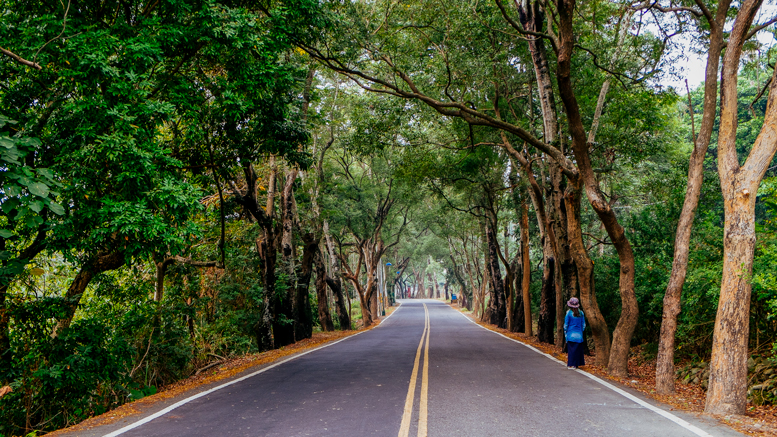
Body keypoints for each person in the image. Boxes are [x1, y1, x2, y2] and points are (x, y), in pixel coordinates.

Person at [564, 297, 586, 369]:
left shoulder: (569, 313)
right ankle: (576, 364)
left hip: (570, 335)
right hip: (579, 335)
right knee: (577, 351)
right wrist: (580, 331)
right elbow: (583, 325)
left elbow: (566, 324)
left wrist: (565, 333)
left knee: (571, 351)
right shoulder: (581, 313)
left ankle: (571, 364)